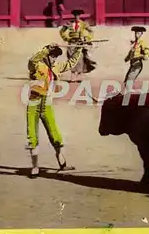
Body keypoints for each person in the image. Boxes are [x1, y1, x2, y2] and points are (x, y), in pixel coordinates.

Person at [25, 44, 84, 178]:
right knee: (32, 135)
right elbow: (32, 60)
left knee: (54, 133)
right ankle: (35, 167)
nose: (54, 59)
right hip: (34, 103)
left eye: (55, 56)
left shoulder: (56, 66)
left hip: (47, 103)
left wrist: (79, 49)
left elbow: (70, 63)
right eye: (52, 56)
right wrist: (46, 49)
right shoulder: (36, 65)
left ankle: (62, 163)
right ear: (46, 56)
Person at [59, 9, 97, 82]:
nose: (77, 17)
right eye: (75, 15)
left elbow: (91, 31)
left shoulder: (83, 24)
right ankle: (73, 74)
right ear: (74, 16)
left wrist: (87, 38)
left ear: (80, 16)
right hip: (72, 43)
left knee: (80, 58)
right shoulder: (69, 23)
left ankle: (79, 75)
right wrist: (67, 38)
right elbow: (62, 31)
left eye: (78, 15)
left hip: (80, 43)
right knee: (71, 58)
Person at [124, 26, 149, 92]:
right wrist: (127, 58)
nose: (136, 35)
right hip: (133, 64)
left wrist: (145, 55)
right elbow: (131, 53)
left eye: (138, 33)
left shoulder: (142, 42)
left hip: (137, 64)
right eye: (135, 33)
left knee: (128, 83)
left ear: (141, 34)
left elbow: (146, 51)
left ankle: (137, 94)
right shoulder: (135, 43)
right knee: (126, 82)